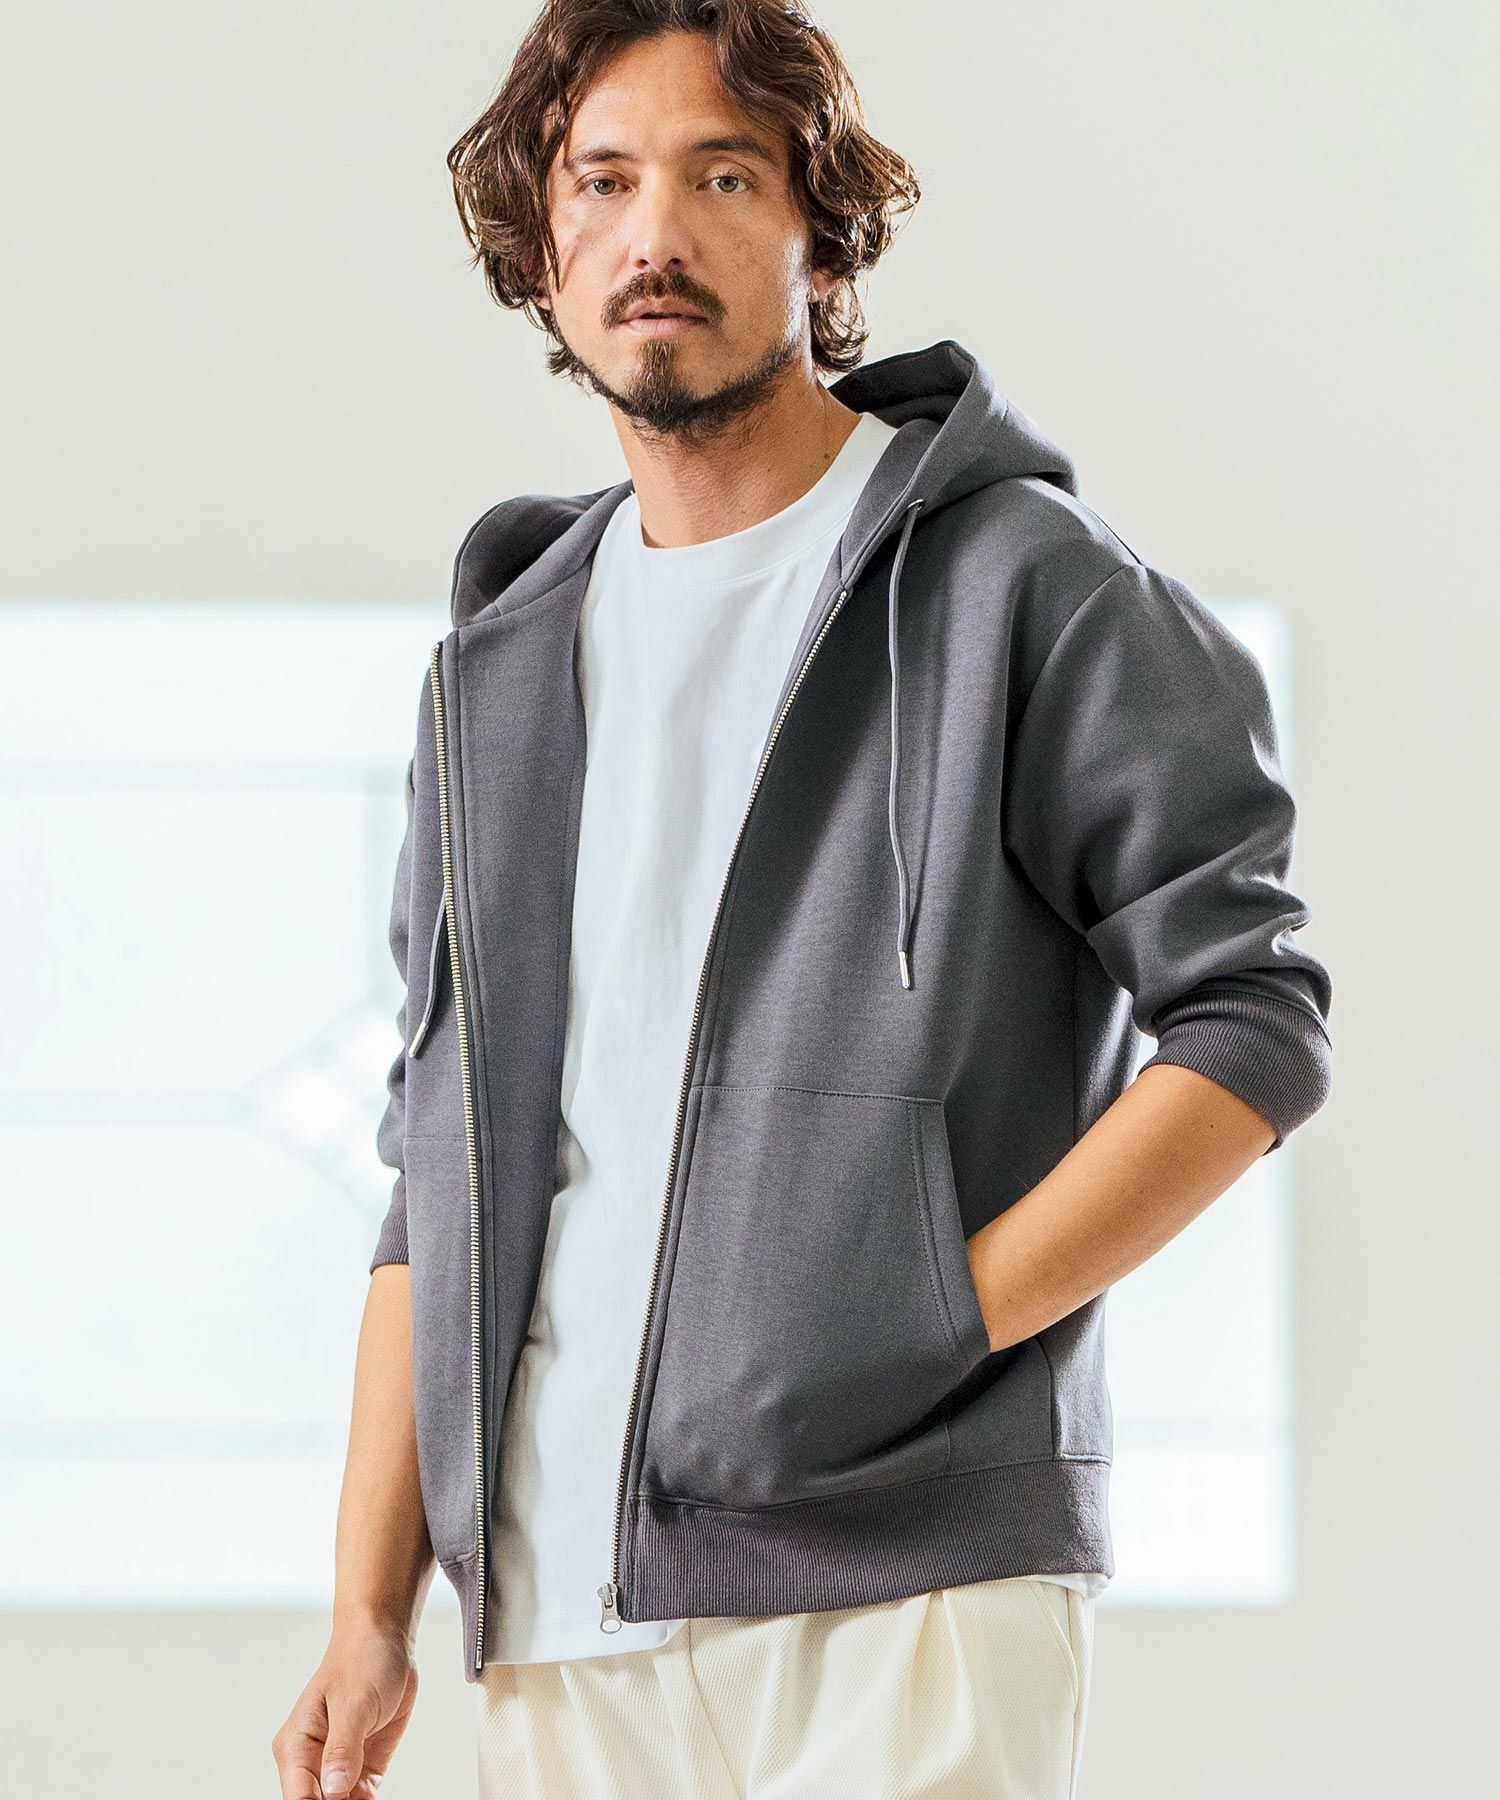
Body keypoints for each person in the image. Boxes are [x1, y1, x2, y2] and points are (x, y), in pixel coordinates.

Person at [271, 3, 1334, 1796]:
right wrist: (368, 1604)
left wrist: (935, 1320)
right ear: (542, 247)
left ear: (819, 235)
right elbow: (433, 1163)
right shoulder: (498, 674)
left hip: (907, 1583)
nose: (654, 235)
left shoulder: (1020, 584)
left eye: (721, 177)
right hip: (554, 1601)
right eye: (601, 183)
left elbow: (1252, 1027)